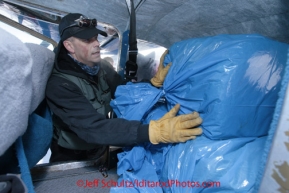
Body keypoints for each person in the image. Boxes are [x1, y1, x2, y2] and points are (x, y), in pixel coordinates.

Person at [45, 13, 203, 163]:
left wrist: (152, 83)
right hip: (71, 156)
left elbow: (125, 92)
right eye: (87, 40)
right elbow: (93, 128)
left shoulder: (102, 68)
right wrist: (152, 132)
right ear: (69, 46)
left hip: (100, 148)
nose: (97, 44)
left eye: (95, 38)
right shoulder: (59, 85)